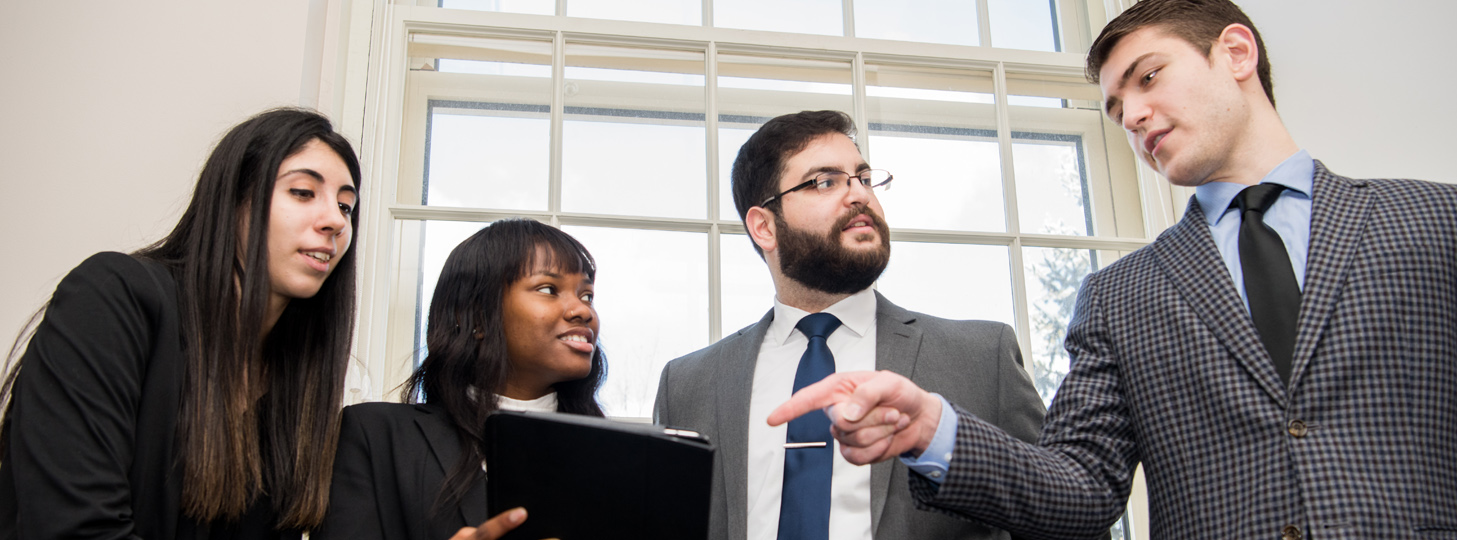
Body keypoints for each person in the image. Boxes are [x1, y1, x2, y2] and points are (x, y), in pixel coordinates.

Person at [768, 0, 1457, 538]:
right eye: (1115, 106)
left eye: (1148, 78)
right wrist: (934, 429)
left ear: (1235, 52)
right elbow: (1081, 487)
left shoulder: (1440, 222)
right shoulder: (1119, 295)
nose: (1133, 115)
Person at [654, 110, 1046, 540]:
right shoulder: (686, 384)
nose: (859, 194)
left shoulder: (981, 358)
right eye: (826, 181)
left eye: (863, 177)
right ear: (764, 227)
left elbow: (1062, 521)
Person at [0, 108, 361, 539]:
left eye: (346, 205)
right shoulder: (114, 297)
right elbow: (73, 528)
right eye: (303, 192)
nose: (336, 221)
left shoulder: (293, 388)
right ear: (234, 200)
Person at [316, 218, 607, 540]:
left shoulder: (615, 456)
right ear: (475, 316)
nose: (583, 311)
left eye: (587, 295)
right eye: (548, 289)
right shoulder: (375, 435)